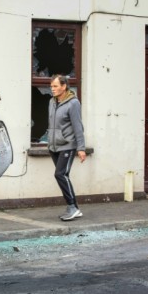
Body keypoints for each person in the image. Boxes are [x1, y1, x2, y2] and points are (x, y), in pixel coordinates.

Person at [47, 74, 86, 221]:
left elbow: (78, 127)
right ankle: (74, 207)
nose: (53, 89)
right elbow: (51, 124)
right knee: (63, 176)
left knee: (60, 174)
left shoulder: (73, 103)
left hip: (68, 145)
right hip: (54, 146)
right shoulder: (52, 101)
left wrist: (81, 148)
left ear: (64, 86)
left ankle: (72, 206)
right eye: (51, 86)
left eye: (55, 86)